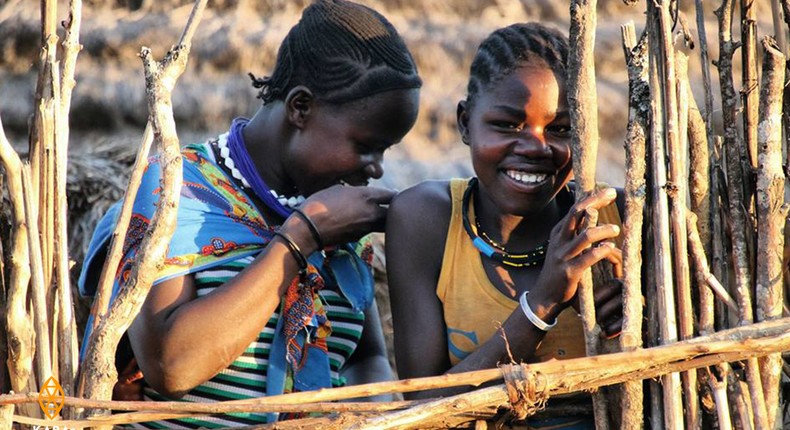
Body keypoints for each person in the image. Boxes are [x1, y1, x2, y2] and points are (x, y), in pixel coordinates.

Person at [78, 1, 421, 427]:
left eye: (385, 150)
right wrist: (299, 240)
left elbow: (366, 355)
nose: (377, 168)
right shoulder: (176, 192)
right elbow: (171, 366)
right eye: (367, 146)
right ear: (300, 108)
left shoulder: (340, 215)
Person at [386, 22, 624, 429]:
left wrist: (634, 324)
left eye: (561, 129)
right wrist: (542, 305)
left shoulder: (617, 222)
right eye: (508, 124)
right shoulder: (425, 220)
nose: (535, 146)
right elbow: (423, 407)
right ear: (465, 123)